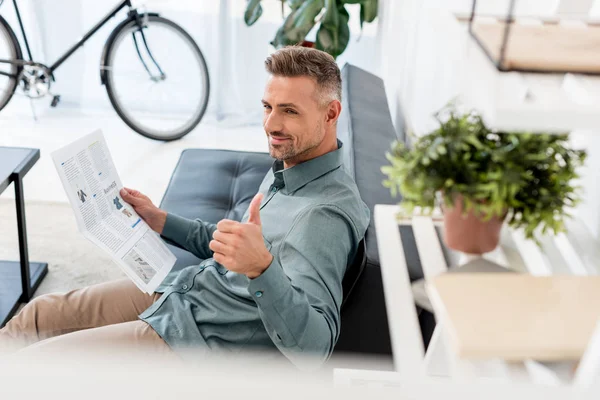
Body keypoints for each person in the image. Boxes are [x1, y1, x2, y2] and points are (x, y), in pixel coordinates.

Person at [0, 46, 370, 369]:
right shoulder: (291, 167)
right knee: (36, 315)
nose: (271, 123)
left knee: (36, 367)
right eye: (268, 107)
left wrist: (262, 268)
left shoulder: (321, 217)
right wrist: (162, 221)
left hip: (193, 340)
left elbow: (316, 347)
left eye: (289, 110)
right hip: (186, 289)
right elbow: (234, 244)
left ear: (331, 113)